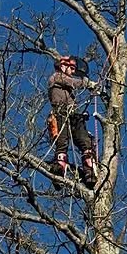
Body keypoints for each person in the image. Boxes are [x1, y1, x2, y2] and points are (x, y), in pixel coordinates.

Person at [47, 54, 97, 185]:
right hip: (61, 113)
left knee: (85, 141)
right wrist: (88, 83)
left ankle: (89, 171)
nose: (73, 72)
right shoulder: (56, 77)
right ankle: (59, 170)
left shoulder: (67, 88)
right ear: (63, 66)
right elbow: (73, 82)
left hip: (73, 115)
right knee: (62, 142)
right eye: (72, 69)